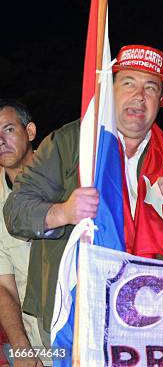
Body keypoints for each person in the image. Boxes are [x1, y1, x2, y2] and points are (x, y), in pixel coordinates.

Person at [4, 45, 163, 346]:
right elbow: (16, 211)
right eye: (128, 83)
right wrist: (63, 212)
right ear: (109, 91)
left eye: (151, 87)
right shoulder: (70, 142)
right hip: (76, 314)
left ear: (161, 101)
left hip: (152, 316)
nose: (140, 96)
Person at [0, 101, 47, 366]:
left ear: (29, 131)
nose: (0, 140)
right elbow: (4, 284)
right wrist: (21, 348)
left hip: (86, 333)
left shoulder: (68, 177)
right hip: (38, 346)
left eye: (8, 129)